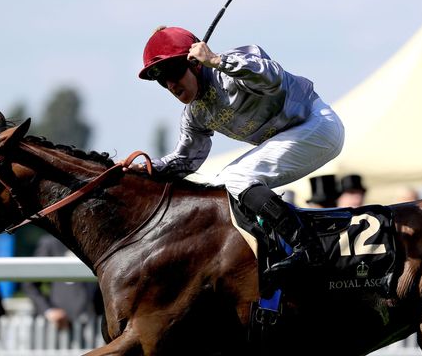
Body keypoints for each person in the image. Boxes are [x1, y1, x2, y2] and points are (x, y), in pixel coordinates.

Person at [128, 26, 345, 273]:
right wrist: (143, 170)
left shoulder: (228, 69)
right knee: (222, 185)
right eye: (161, 80)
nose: (171, 85)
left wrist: (217, 60)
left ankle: (308, 248)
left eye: (173, 72)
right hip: (295, 137)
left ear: (195, 63)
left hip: (318, 125)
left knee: (237, 177)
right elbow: (186, 161)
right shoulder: (195, 114)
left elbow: (273, 78)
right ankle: (271, 250)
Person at [22, 234, 103, 330]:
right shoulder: (51, 243)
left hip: (94, 323)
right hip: (58, 327)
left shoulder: (95, 240)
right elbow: (29, 284)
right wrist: (49, 310)